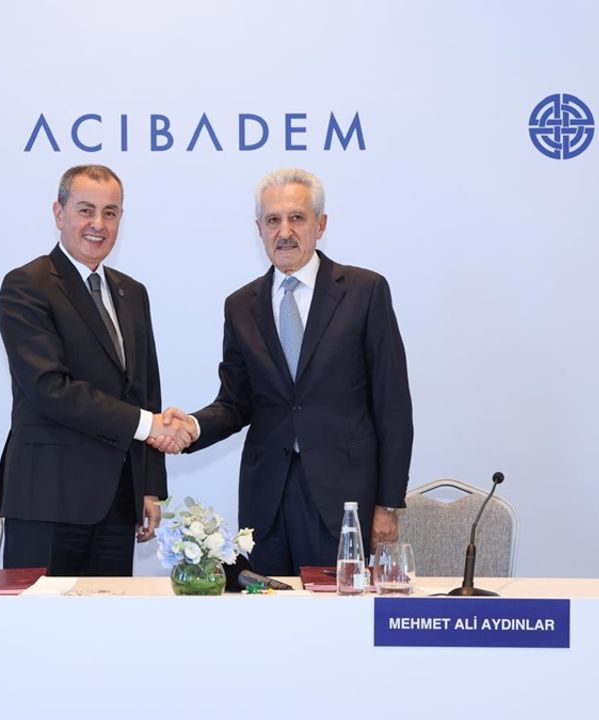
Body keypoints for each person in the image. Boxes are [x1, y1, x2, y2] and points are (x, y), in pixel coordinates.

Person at [151, 168, 413, 576]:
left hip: (343, 500)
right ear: (259, 229)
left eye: (297, 218)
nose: (284, 231)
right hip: (266, 500)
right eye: (273, 220)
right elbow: (236, 402)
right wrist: (192, 427)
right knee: (266, 608)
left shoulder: (365, 292)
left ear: (320, 224)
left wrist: (387, 505)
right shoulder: (241, 305)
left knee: (335, 610)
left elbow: (392, 404)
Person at [0, 164, 195, 576]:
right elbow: (50, 389)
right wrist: (149, 425)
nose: (98, 225)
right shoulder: (27, 285)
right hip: (47, 501)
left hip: (118, 503)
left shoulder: (132, 292)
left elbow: (145, 391)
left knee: (111, 615)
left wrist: (150, 487)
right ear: (59, 213)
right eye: (86, 210)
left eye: (110, 213)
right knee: (43, 616)